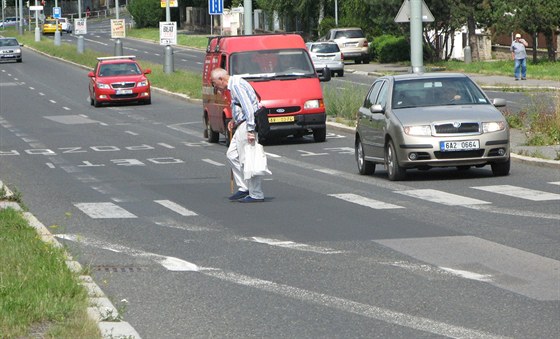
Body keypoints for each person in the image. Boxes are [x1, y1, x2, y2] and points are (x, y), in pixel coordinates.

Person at [210, 68, 265, 203]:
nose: (215, 87)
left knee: (248, 159)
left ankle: (256, 193)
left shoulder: (236, 85)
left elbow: (249, 108)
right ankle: (244, 188)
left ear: (221, 79)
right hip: (242, 124)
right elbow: (241, 106)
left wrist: (250, 130)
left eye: (214, 83)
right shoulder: (235, 84)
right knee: (232, 155)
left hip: (247, 125)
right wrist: (235, 120)